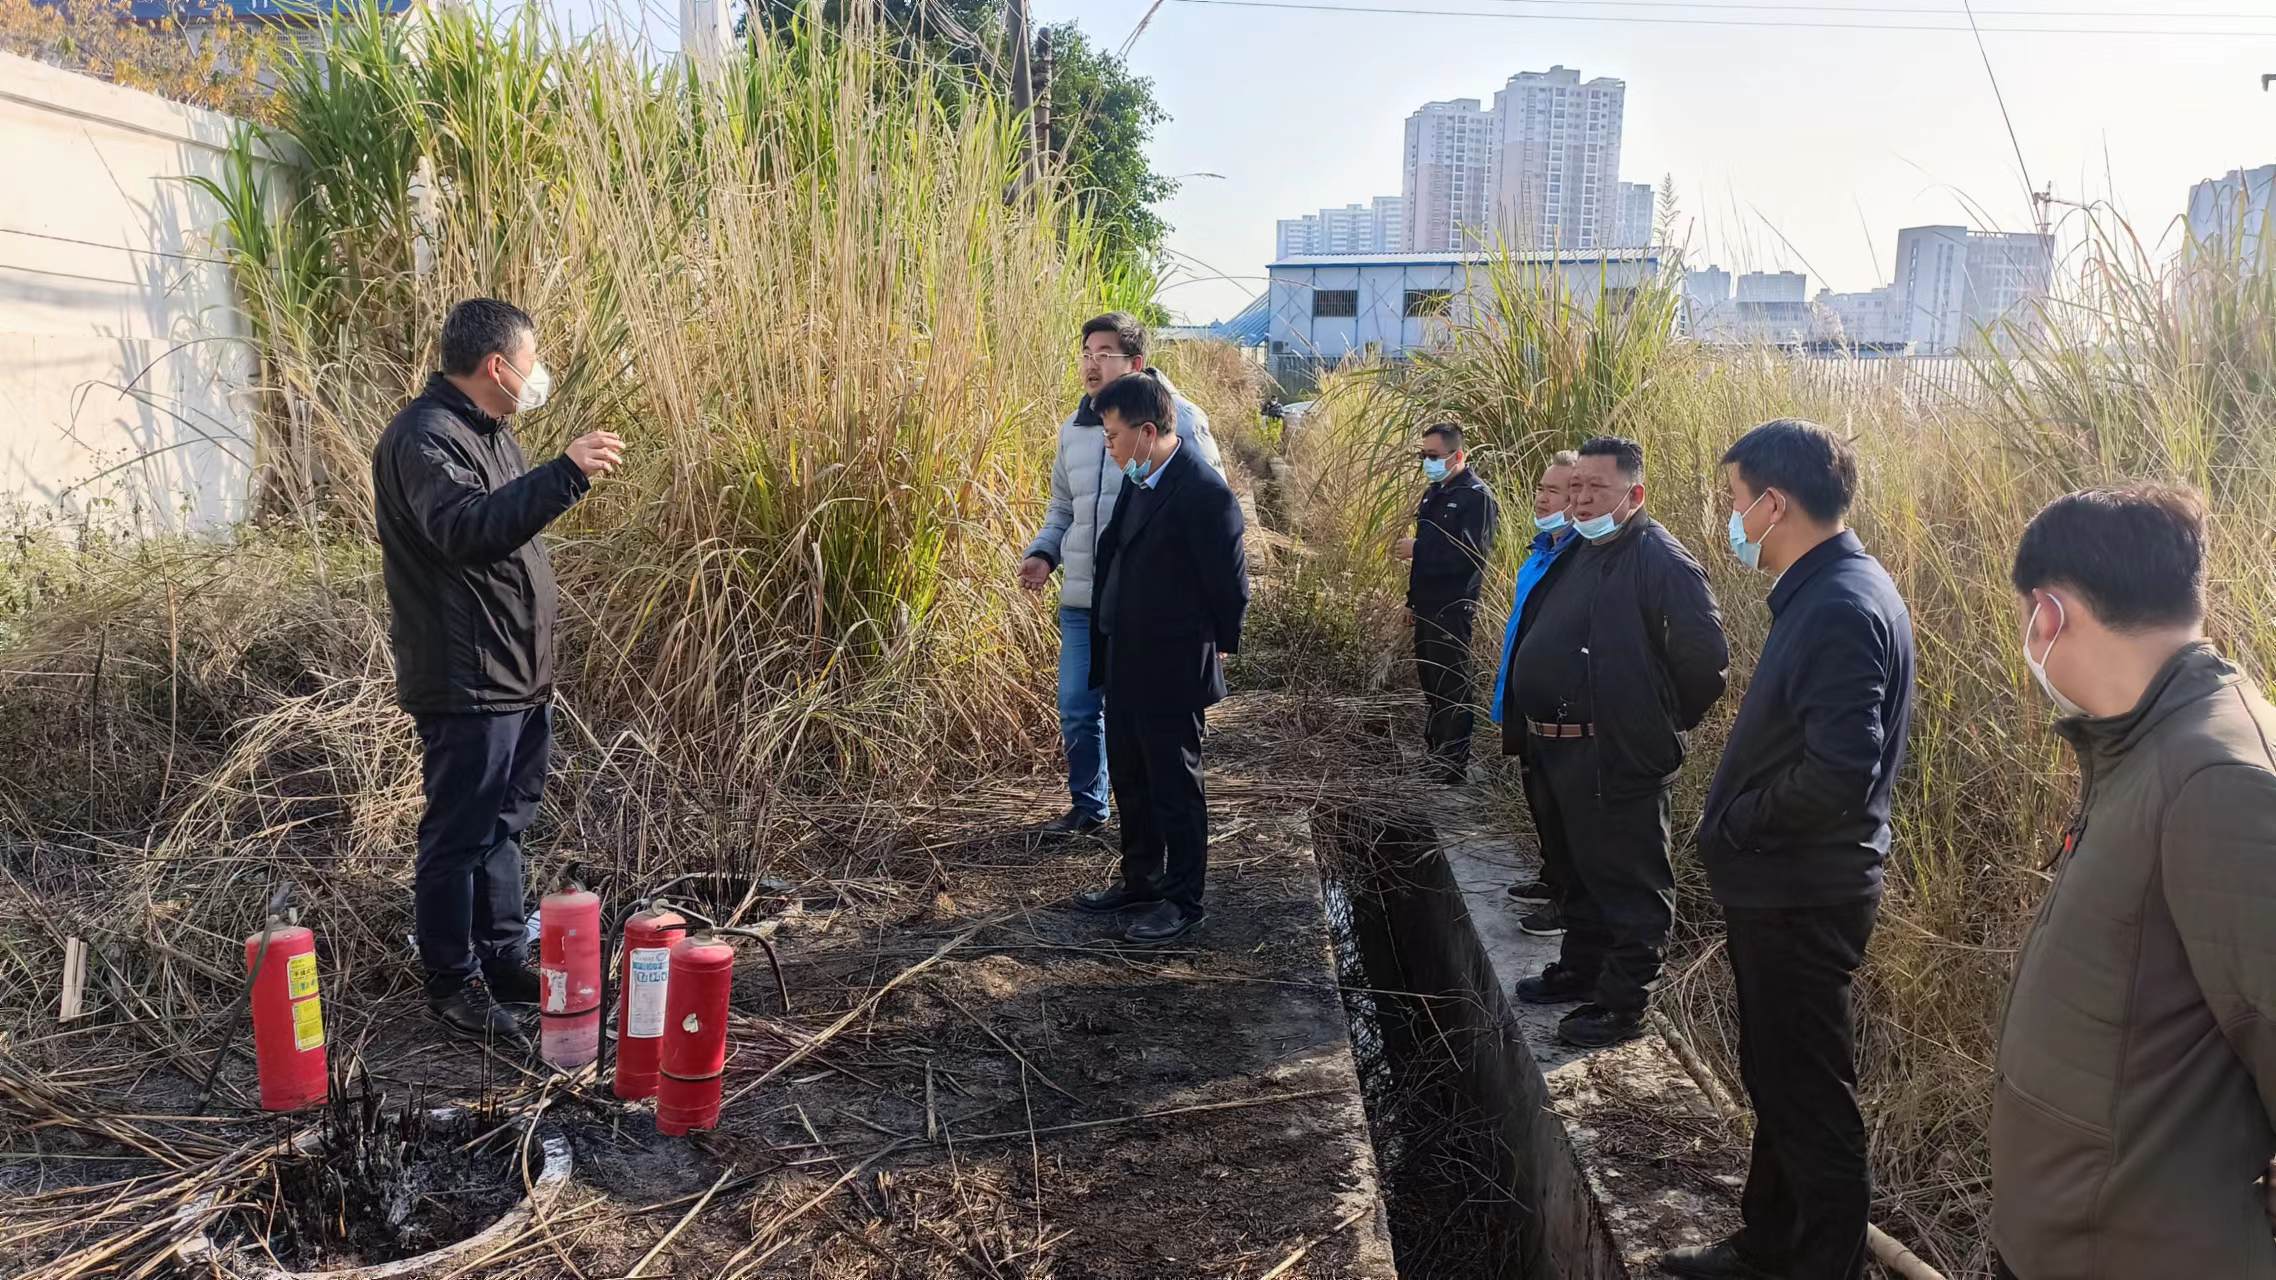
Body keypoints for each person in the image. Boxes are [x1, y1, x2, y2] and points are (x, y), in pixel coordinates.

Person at [1985, 485, 2276, 1280]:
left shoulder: (2215, 777)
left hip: (2128, 1251)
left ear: (2048, 614)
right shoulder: (2146, 742)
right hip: (2075, 1234)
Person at [1664, 420, 1916, 1280]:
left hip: (1803, 890)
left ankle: (1822, 1264)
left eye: (1736, 502)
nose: (1730, 520)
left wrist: (1740, 824)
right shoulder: (1834, 588)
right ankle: (1768, 1242)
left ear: (1774, 503)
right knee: (1780, 1080)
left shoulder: (1842, 604)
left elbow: (1840, 770)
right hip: (1793, 884)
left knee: (1810, 1095)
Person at [372, 299, 622, 1046]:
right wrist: (565, 474)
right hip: (467, 677)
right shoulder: (424, 438)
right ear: (496, 366)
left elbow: (506, 529)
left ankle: (504, 953)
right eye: (532, 359)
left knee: (505, 824)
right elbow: (466, 529)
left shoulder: (490, 433)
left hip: (515, 673)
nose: (536, 374)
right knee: (459, 831)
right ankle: (451, 980)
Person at [1508, 436, 1727, 1048]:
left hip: (1617, 755)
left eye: (1595, 491)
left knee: (1630, 884)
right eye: (1575, 488)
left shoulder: (1660, 559)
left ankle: (1624, 1004)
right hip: (1558, 749)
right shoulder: (1580, 549)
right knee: (1577, 872)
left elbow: (1705, 664)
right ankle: (1581, 968)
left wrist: (1644, 723)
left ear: (1634, 494)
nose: (1579, 501)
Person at [1019, 314, 1222, 837]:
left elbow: (1211, 508)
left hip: (1145, 608)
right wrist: (1044, 553)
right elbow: (1062, 507)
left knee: (1141, 726)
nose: (1090, 362)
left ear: (1134, 363)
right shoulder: (1074, 429)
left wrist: (1207, 612)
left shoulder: (1182, 418)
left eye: (1103, 352)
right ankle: (1089, 806)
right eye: (1086, 350)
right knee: (1077, 710)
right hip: (1085, 599)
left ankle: (1149, 831)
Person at [1067, 373, 1248, 945]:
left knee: (1175, 785)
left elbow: (1230, 587)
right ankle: (1140, 878)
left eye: (1114, 436)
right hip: (1125, 657)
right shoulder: (1139, 481)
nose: (1109, 446)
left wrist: (1212, 647)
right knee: (1131, 774)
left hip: (1172, 666)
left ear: (1148, 432)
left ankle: (1183, 900)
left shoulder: (1202, 493)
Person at [1491, 450, 1582, 937]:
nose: (1544, 498)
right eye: (1542, 489)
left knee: (1563, 808)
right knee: (1539, 798)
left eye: (1558, 491)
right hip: (1526, 700)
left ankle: (1569, 903)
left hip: (1561, 713)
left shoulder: (1578, 558)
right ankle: (1552, 879)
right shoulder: (1542, 549)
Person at [1397, 423, 1501, 783]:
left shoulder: (1476, 497)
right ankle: (1436, 753)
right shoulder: (1435, 493)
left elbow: (1470, 555)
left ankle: (1452, 764)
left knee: (1452, 683)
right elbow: (1424, 562)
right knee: (1431, 681)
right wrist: (1411, 601)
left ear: (1458, 456)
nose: (1427, 462)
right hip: (1427, 604)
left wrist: (1419, 550)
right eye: (1422, 456)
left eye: (1433, 456)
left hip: (1453, 606)